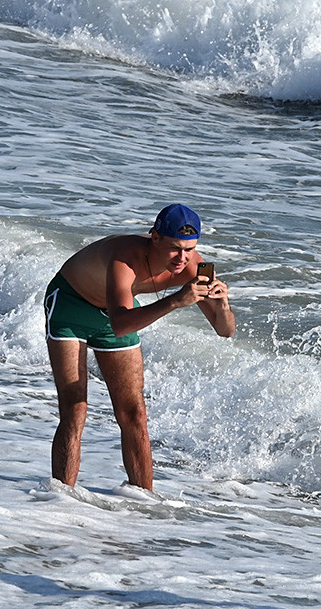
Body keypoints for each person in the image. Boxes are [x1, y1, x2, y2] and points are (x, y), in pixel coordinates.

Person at [42, 204, 235, 492]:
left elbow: (225, 331)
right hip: (72, 305)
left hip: (118, 311)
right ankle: (60, 499)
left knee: (135, 413)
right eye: (175, 248)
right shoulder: (125, 258)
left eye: (190, 249)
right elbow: (121, 325)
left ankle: (143, 502)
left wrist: (222, 306)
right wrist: (175, 302)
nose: (183, 258)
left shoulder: (194, 265)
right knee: (75, 408)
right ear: (155, 237)